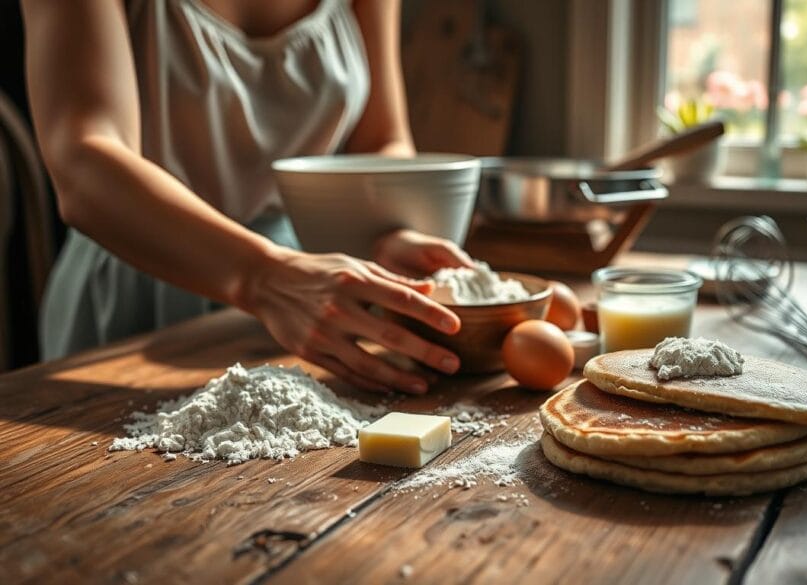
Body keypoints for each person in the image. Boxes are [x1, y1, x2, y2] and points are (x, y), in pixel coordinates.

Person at [21, 0, 471, 393]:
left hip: (309, 297)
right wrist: (263, 277)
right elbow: (83, 159)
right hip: (139, 280)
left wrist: (382, 231)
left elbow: (379, 142)